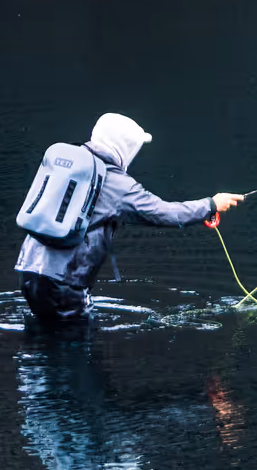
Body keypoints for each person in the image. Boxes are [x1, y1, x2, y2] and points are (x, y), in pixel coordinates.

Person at [16, 112, 243, 330]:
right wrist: (211, 205)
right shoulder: (116, 183)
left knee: (46, 333)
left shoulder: (70, 163)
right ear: (125, 147)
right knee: (77, 347)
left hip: (28, 268)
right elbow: (162, 213)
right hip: (64, 281)